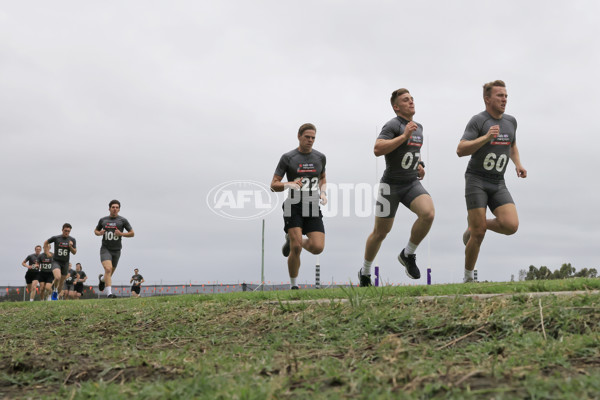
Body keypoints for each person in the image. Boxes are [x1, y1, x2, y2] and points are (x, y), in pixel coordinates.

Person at [358, 88, 435, 287]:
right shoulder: (393, 124)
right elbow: (377, 149)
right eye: (405, 100)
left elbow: (411, 151)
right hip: (390, 186)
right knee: (380, 232)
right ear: (396, 106)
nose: (411, 102)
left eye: (412, 99)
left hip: (411, 183)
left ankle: (408, 254)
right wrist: (403, 136)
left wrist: (420, 164)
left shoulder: (419, 127)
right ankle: (365, 272)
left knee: (428, 213)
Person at [456, 80, 527, 283]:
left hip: (497, 182)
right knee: (478, 234)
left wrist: (518, 164)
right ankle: (469, 279)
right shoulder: (478, 121)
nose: (504, 99)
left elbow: (512, 145)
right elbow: (460, 150)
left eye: (506, 96)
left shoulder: (511, 121)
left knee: (511, 225)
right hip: (476, 180)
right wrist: (485, 138)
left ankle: (474, 226)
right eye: (499, 96)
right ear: (487, 99)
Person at [270, 123, 327, 290]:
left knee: (317, 248)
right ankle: (294, 286)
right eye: (307, 137)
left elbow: (323, 177)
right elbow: (273, 185)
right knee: (296, 248)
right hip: (292, 205)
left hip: (312, 204)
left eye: (313, 138)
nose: (310, 140)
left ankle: (293, 238)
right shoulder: (288, 158)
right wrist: (289, 184)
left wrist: (323, 192)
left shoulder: (320, 157)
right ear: (299, 136)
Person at [95, 200, 135, 298]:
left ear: (119, 209)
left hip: (116, 250)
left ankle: (102, 280)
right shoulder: (103, 220)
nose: (115, 209)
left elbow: (132, 233)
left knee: (109, 273)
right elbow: (96, 230)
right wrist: (99, 233)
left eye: (117, 207)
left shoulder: (123, 220)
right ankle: (109, 294)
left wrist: (121, 234)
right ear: (109, 208)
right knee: (108, 269)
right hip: (105, 249)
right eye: (113, 207)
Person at [44, 223, 77, 300]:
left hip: (65, 263)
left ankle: (55, 294)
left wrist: (70, 246)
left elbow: (74, 252)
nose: (67, 232)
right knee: (57, 277)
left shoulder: (72, 240)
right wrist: (47, 253)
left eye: (68, 231)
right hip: (56, 261)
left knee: (61, 282)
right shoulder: (56, 238)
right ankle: (53, 292)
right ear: (62, 230)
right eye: (65, 231)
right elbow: (46, 242)